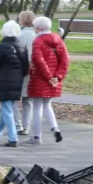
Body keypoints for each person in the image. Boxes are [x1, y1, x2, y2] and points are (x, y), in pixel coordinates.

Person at [26, 15, 68, 144]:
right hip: (54, 80)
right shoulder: (59, 40)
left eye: (35, 28)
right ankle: (55, 128)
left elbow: (39, 61)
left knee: (37, 107)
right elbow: (65, 61)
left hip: (40, 78)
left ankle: (37, 136)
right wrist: (57, 77)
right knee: (47, 105)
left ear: (39, 28)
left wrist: (49, 77)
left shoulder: (38, 41)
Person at [0, 21, 29, 147]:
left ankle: (13, 138)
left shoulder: (2, 46)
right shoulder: (22, 45)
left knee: (6, 109)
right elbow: (26, 66)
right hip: (17, 80)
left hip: (4, 80)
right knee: (7, 109)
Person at [15, 10, 38, 138]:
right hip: (33, 70)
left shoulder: (22, 35)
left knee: (15, 99)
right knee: (27, 100)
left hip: (23, 70)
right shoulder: (36, 34)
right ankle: (26, 126)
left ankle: (19, 125)